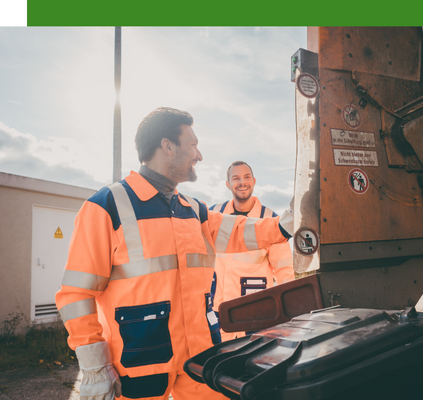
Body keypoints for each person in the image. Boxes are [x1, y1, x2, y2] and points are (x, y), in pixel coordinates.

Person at [55, 107, 293, 400]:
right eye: (192, 144)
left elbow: (245, 231)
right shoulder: (107, 207)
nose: (199, 154)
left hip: (200, 356)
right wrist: (93, 365)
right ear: (167, 146)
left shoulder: (193, 210)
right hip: (140, 361)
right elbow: (76, 294)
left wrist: (289, 223)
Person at [210, 161, 295, 340]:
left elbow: (284, 271)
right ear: (228, 184)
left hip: (257, 311)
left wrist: (290, 313)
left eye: (246, 177)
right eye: (236, 178)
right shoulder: (214, 214)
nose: (242, 182)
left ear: (254, 181)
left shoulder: (271, 220)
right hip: (218, 311)